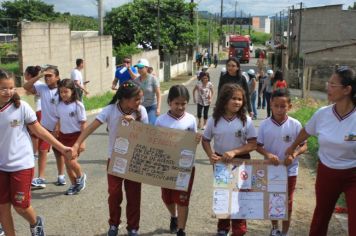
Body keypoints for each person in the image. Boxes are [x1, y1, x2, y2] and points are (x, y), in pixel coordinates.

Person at [285, 66, 356, 236]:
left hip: (353, 174)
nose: (327, 88)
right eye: (328, 83)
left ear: (347, 90)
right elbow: (306, 131)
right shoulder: (322, 114)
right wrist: (292, 146)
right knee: (321, 217)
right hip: (327, 173)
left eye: (333, 84)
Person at [71, 81, 148, 236]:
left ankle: (133, 228)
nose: (140, 102)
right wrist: (77, 144)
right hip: (115, 160)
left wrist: (136, 125)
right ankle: (114, 224)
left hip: (134, 161)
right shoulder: (110, 110)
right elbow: (91, 127)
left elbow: (147, 136)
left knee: (134, 196)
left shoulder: (141, 111)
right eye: (137, 99)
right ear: (125, 99)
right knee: (114, 194)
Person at [0, 69, 71, 236]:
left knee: (20, 206)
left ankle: (35, 222)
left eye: (11, 87)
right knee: (2, 208)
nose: (8, 92)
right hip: (1, 167)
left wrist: (62, 147)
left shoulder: (22, 107)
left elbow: (40, 132)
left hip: (21, 164)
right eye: (3, 88)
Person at [202, 83, 257, 236]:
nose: (237, 102)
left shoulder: (246, 120)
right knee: (224, 195)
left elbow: (253, 144)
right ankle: (222, 228)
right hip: (222, 163)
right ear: (224, 99)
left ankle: (239, 229)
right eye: (234, 98)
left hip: (242, 161)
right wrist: (210, 155)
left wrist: (234, 151)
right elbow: (205, 140)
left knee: (241, 195)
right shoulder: (214, 120)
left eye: (240, 99)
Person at [256, 89, 307, 236]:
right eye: (276, 106)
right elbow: (258, 146)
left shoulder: (295, 124)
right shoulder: (264, 125)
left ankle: (284, 232)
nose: (279, 109)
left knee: (288, 202)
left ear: (289, 106)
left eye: (283, 106)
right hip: (271, 169)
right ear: (270, 105)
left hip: (290, 170)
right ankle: (274, 228)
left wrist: (294, 154)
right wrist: (268, 154)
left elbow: (304, 145)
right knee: (273, 199)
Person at [155, 85, 200, 236]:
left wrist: (196, 139)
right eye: (177, 103)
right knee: (167, 197)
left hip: (185, 167)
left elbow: (193, 140)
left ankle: (181, 229)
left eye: (183, 103)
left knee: (182, 198)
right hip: (166, 165)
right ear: (169, 102)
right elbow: (155, 141)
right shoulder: (161, 121)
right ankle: (174, 216)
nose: (180, 107)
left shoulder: (191, 120)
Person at [23, 65, 66, 188]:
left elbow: (63, 110)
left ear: (57, 77)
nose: (47, 78)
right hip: (45, 127)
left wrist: (58, 126)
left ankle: (61, 176)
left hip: (59, 126)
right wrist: (39, 76)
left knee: (59, 151)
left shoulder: (62, 91)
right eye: (46, 76)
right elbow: (26, 86)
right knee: (42, 150)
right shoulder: (42, 88)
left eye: (50, 76)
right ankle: (41, 178)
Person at [55, 79, 87, 195]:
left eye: (66, 92)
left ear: (72, 91)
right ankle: (74, 185)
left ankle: (81, 176)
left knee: (72, 162)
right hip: (63, 137)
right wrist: (56, 132)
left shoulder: (78, 105)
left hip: (75, 137)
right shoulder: (59, 105)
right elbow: (58, 120)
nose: (63, 94)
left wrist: (82, 142)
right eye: (61, 92)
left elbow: (83, 123)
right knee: (67, 165)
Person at [134, 58, 161, 125]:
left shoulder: (153, 79)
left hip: (152, 106)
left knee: (150, 125)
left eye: (141, 67)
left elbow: (158, 94)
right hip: (140, 107)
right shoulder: (136, 80)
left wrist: (158, 108)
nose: (139, 69)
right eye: (138, 67)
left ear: (147, 68)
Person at [24, 66, 43, 157]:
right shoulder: (37, 83)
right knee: (34, 133)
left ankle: (35, 153)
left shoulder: (35, 84)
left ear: (29, 75)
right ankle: (36, 151)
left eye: (25, 73)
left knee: (34, 133)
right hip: (36, 110)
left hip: (36, 110)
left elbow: (28, 92)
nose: (24, 75)